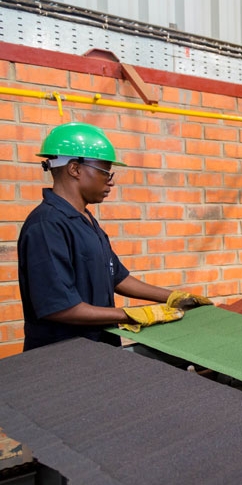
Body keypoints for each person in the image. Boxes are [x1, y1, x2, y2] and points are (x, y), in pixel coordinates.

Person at [18, 122, 212, 351]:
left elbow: (117, 277)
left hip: (98, 349)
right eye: (104, 171)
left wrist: (174, 298)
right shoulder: (47, 225)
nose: (110, 181)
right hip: (62, 358)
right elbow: (60, 307)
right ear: (74, 169)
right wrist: (134, 315)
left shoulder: (85, 220)